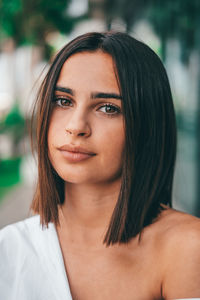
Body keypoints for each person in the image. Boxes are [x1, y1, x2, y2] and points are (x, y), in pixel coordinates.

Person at [0, 31, 200, 300]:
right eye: (63, 101)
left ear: (147, 125)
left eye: (107, 108)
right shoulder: (9, 251)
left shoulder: (188, 248)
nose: (76, 126)